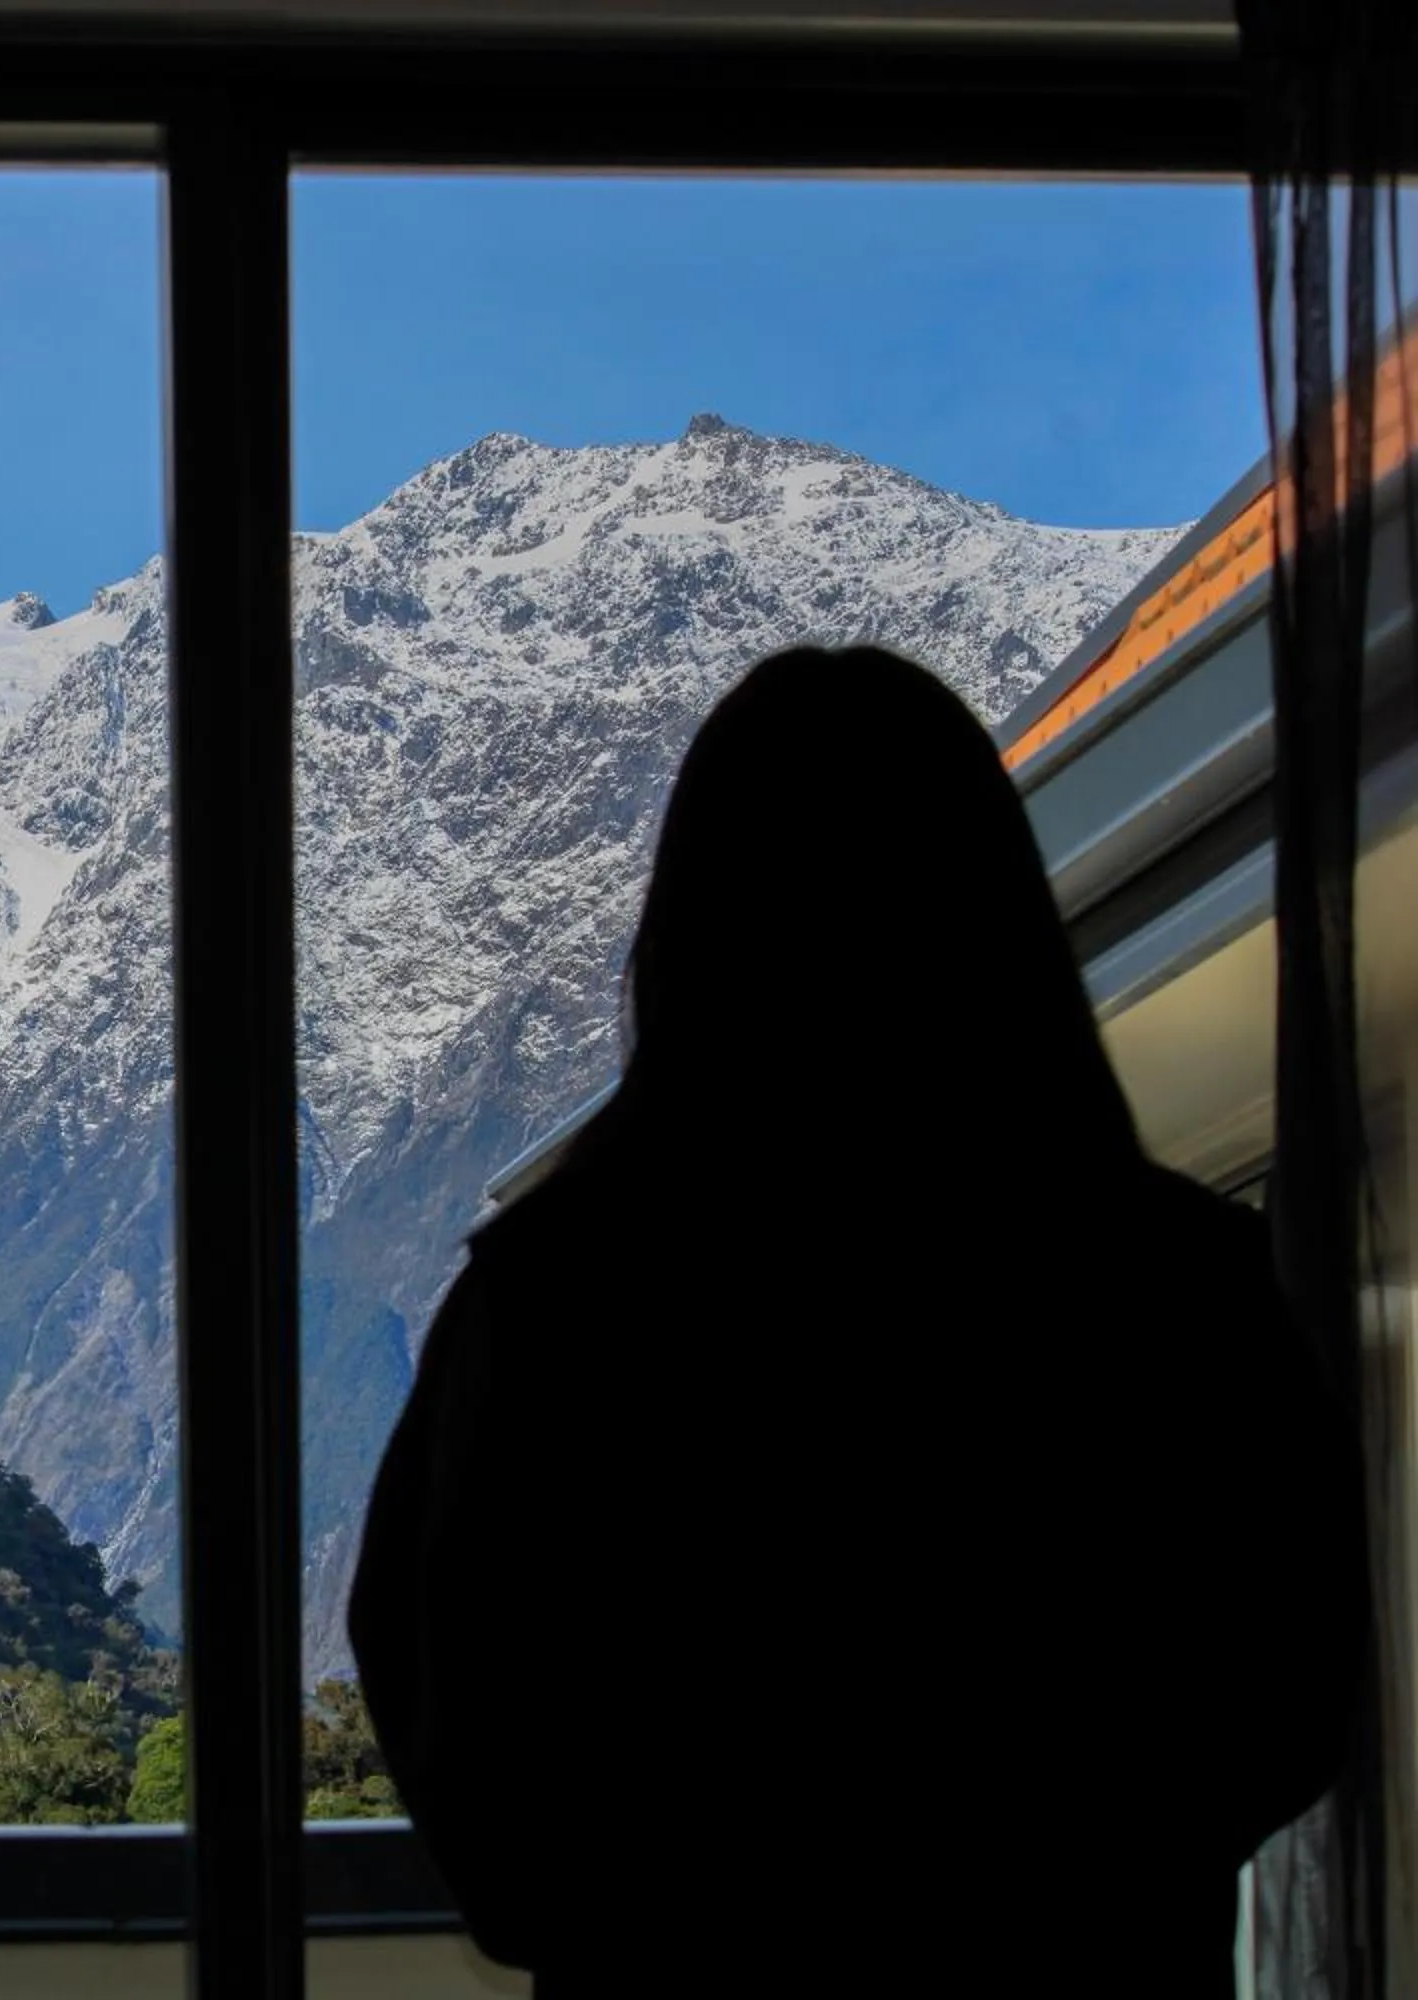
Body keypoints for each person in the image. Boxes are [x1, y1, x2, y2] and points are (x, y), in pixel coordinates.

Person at [346, 646, 1367, 1996]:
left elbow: (448, 1699)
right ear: (992, 910)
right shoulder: (1178, 1287)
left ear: (691, 928)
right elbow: (1294, 1692)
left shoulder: (553, 1302)